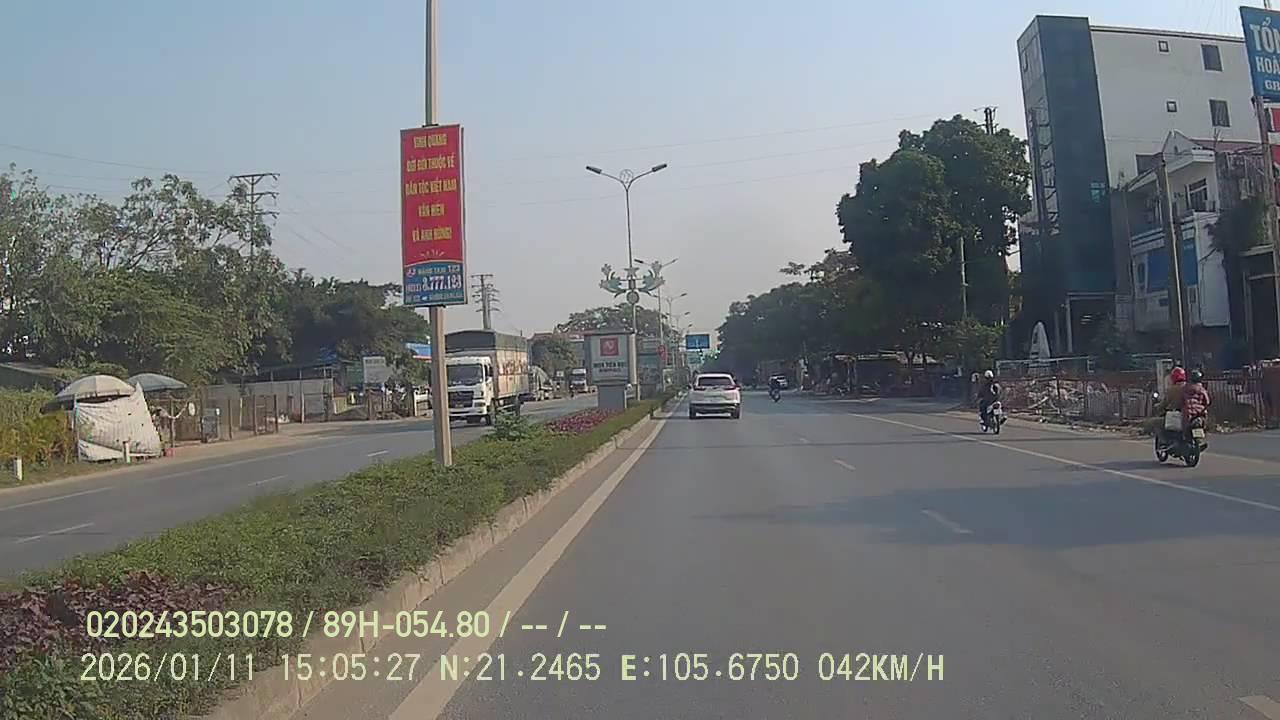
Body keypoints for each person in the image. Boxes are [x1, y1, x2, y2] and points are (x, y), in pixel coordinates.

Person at [1182, 369, 1211, 442]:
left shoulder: (1185, 388)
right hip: (1199, 413)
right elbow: (1207, 402)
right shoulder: (1201, 389)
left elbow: (1181, 400)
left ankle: (1185, 437)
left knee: (1185, 427)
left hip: (1188, 413)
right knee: (1204, 422)